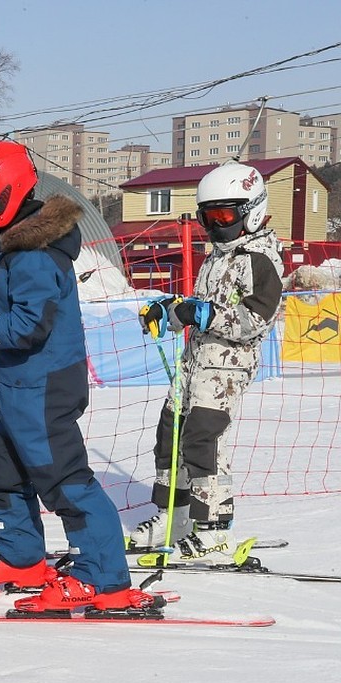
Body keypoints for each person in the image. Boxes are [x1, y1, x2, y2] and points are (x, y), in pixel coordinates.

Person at [0, 140, 156, 613]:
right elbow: (20, 310)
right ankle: (20, 557)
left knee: (63, 479)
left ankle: (103, 578)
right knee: (2, 468)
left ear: (1, 196)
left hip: (43, 387)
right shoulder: (18, 251)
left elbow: (31, 326)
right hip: (21, 389)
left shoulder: (33, 254)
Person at [129, 161, 284, 559]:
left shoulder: (258, 259)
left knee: (202, 440)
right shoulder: (218, 256)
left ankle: (213, 528)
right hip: (195, 363)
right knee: (171, 435)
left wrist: (202, 315)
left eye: (224, 216)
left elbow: (253, 318)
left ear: (251, 211)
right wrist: (171, 310)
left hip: (226, 369)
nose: (215, 226)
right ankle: (174, 518)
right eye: (207, 217)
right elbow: (205, 305)